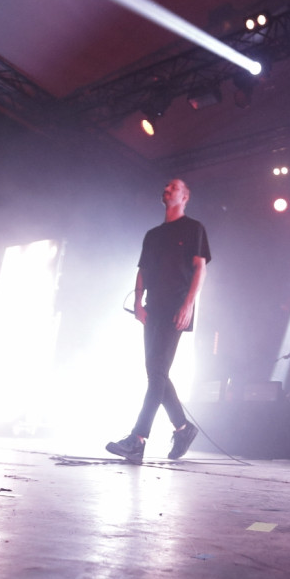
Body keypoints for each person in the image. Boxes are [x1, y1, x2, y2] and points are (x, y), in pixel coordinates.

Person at [106, 178, 210, 464]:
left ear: (185, 197)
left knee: (156, 373)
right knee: (156, 372)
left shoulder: (194, 228)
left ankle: (137, 439)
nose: (167, 189)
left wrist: (188, 305)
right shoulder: (152, 235)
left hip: (176, 307)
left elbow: (200, 268)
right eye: (166, 186)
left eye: (174, 188)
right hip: (153, 307)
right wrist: (138, 302)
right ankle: (183, 428)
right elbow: (143, 269)